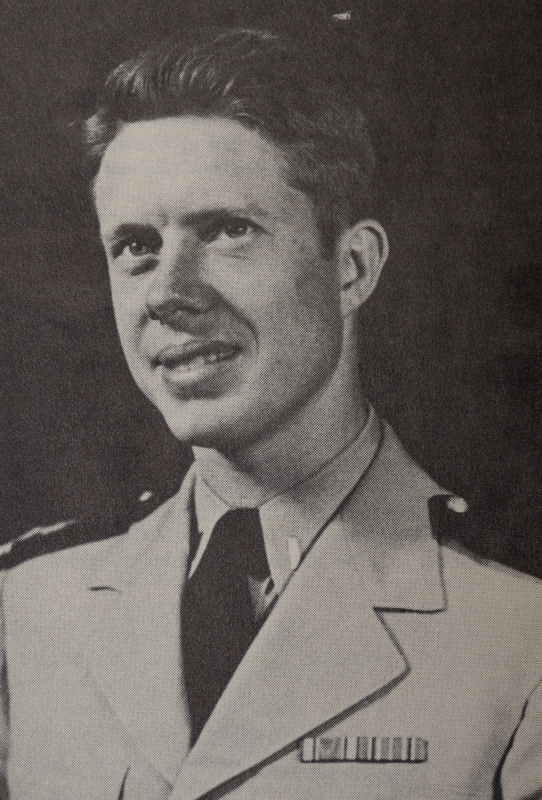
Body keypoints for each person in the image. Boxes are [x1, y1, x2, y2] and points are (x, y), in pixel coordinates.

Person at [0, 27, 541, 800]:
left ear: (353, 267)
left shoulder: (519, 639)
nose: (167, 292)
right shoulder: (26, 617)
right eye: (135, 247)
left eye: (226, 231)